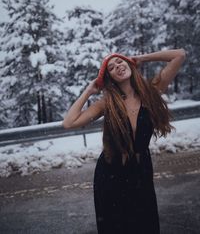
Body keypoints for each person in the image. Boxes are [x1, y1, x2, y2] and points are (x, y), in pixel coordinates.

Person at [62, 49, 186, 234]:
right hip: (111, 173)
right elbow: (69, 123)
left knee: (146, 225)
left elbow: (180, 55)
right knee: (116, 227)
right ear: (110, 78)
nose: (117, 66)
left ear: (129, 64)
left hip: (141, 170)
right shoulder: (107, 103)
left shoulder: (151, 92)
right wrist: (89, 90)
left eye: (120, 62)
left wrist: (141, 58)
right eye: (111, 67)